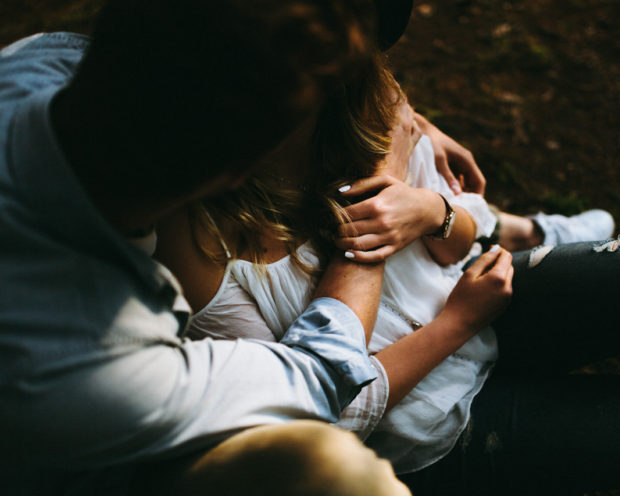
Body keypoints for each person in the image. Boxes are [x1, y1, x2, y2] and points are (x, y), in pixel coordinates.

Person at [156, 39, 620, 495]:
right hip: (430, 429)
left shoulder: (362, 93)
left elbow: (454, 240)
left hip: (478, 297)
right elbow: (318, 420)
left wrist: (433, 210)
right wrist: (455, 322)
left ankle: (533, 235)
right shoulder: (193, 240)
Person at [0, 1, 417, 495]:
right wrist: (379, 196)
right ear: (239, 173)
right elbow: (318, 378)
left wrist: (399, 120)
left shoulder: (37, 59)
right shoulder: (90, 369)